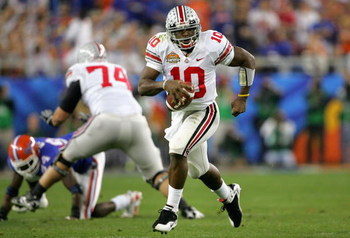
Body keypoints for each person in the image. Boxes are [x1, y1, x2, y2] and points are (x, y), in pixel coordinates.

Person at [12, 41, 203, 220]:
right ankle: (186, 209)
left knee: (64, 157)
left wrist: (53, 120)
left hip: (105, 122)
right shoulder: (118, 69)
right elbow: (119, 98)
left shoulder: (79, 70)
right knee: (156, 174)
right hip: (136, 121)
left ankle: (34, 196)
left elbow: (67, 106)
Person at [138, 5, 255, 233]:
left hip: (205, 110)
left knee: (177, 149)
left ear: (198, 28)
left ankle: (170, 211)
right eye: (179, 32)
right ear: (170, 32)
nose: (185, 36)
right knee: (198, 170)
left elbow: (247, 59)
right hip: (180, 113)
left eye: (189, 30)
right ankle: (229, 196)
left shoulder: (211, 43)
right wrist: (165, 84)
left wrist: (242, 96)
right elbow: (143, 86)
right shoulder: (160, 45)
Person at [0, 133, 142, 221]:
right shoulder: (23, 158)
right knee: (28, 173)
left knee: (87, 213)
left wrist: (74, 215)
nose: (25, 169)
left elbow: (75, 189)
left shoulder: (52, 156)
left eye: (27, 164)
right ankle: (37, 199)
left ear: (36, 153)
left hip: (89, 159)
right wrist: (3, 213)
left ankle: (130, 198)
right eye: (20, 166)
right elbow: (12, 189)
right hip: (71, 155)